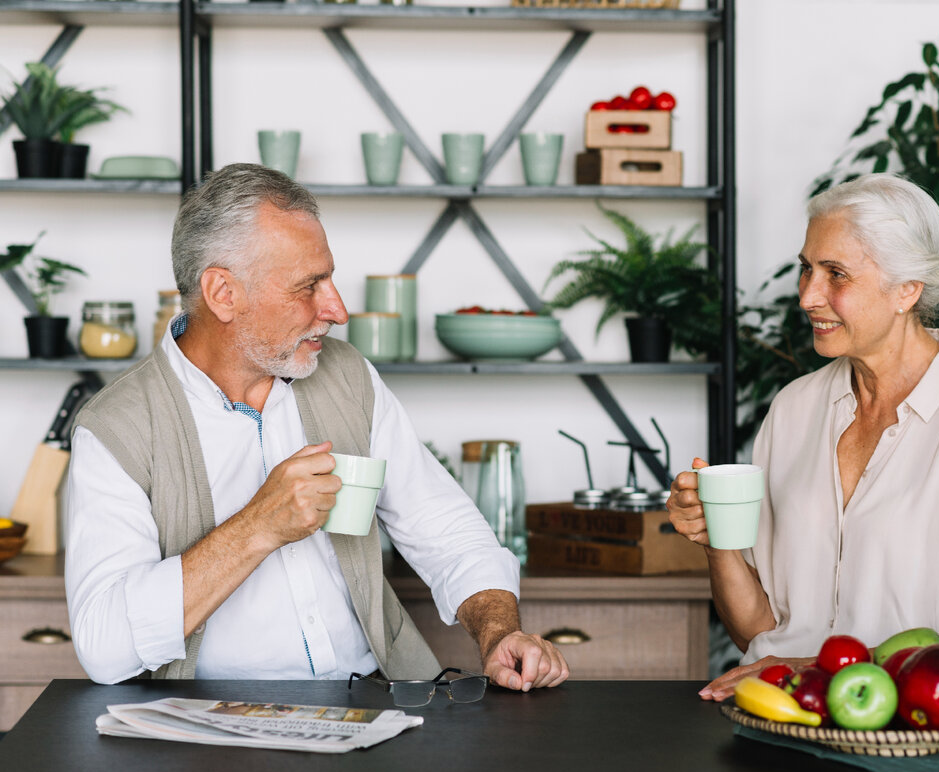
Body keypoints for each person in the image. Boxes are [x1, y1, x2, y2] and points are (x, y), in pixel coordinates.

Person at [64, 162, 568, 693]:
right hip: (208, 732)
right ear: (222, 293)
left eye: (330, 278)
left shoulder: (347, 376)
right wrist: (257, 526)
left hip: (372, 704)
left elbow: (445, 529)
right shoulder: (113, 428)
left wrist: (498, 633)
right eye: (309, 286)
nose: (338, 309)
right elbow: (104, 647)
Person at [668, 173, 939, 701]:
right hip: (779, 713)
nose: (807, 296)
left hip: (902, 732)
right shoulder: (794, 408)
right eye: (806, 269)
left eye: (835, 274)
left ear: (907, 290)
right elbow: (758, 629)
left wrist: (819, 670)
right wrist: (716, 541)